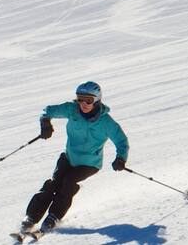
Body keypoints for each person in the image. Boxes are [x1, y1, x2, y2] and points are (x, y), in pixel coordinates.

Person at [18, 81, 129, 236]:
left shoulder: (106, 122)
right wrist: (45, 123)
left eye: (88, 100)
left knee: (68, 181)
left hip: (90, 164)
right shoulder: (72, 110)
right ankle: (30, 218)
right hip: (69, 157)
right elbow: (47, 111)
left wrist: (121, 158)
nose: (83, 104)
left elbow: (122, 142)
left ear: (97, 100)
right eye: (80, 99)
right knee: (53, 183)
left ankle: (54, 216)